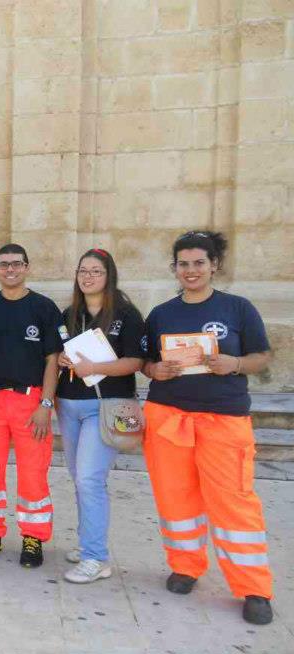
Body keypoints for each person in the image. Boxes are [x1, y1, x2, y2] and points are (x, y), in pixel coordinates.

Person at [141, 230, 274, 625]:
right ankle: (186, 566)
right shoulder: (162, 313)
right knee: (175, 498)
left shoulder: (238, 308)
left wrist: (235, 364)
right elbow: (146, 360)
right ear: (175, 268)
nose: (191, 270)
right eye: (184, 264)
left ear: (214, 265)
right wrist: (154, 369)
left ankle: (254, 588)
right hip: (168, 417)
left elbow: (262, 355)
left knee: (233, 501)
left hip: (224, 418)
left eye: (199, 263)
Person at [0, 243, 61, 568]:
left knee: (33, 473)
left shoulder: (45, 308)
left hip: (31, 402)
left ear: (27, 267)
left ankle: (33, 537)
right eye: (5, 264)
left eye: (17, 264)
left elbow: (53, 360)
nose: (11, 269)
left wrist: (46, 404)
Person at [56, 249, 145, 583]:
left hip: (107, 407)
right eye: (82, 270)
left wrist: (94, 367)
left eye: (95, 271)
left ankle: (96, 557)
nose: (88, 276)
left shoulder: (126, 314)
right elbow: (62, 355)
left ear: (109, 275)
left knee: (89, 480)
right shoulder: (70, 313)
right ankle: (87, 543)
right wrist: (66, 363)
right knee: (81, 478)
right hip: (70, 404)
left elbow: (135, 361)